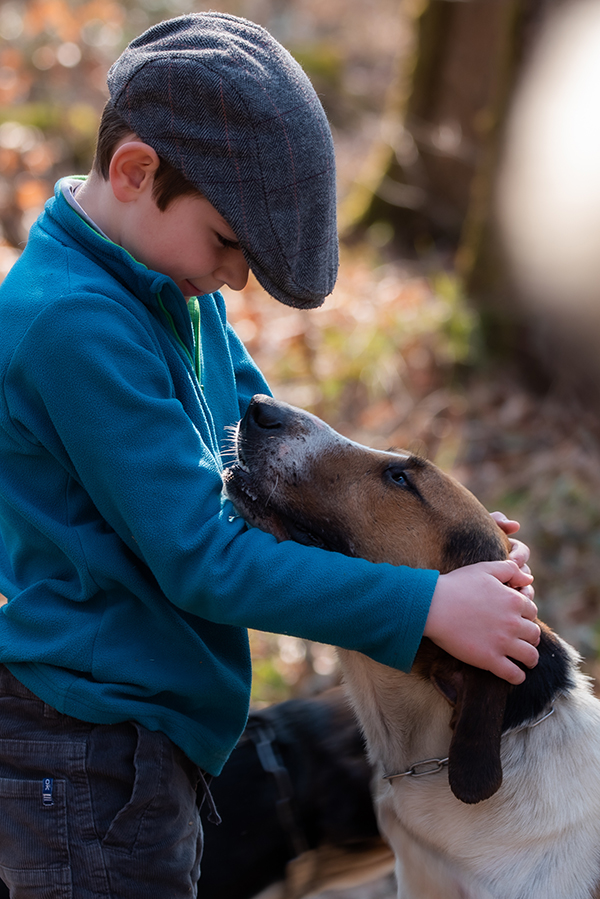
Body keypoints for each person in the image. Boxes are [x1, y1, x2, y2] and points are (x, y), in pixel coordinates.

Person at [0, 12, 538, 898]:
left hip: (138, 738)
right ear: (136, 171)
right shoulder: (77, 324)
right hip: (87, 752)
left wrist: (438, 553)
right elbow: (203, 558)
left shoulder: (159, 279)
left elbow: (274, 461)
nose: (237, 279)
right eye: (227, 244)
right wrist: (423, 607)